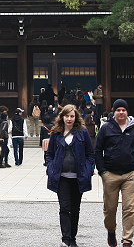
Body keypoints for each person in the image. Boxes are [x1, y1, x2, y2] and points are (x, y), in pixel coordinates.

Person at [94, 99, 134, 247]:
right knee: (110, 209)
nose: (121, 112)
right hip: (110, 173)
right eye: (118, 110)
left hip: (131, 173)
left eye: (123, 110)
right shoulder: (106, 128)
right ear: (114, 111)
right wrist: (102, 171)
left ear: (127, 112)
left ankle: (127, 241)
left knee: (129, 208)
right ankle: (111, 231)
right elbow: (97, 150)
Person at [45, 104, 95, 247]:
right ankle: (65, 239)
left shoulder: (82, 132)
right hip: (61, 177)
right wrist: (50, 167)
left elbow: (90, 153)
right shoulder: (56, 133)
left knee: (75, 209)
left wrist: (88, 168)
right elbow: (50, 154)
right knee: (64, 208)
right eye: (66, 116)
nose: (69, 119)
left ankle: (72, 238)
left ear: (76, 117)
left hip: (78, 176)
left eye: (72, 116)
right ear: (62, 117)